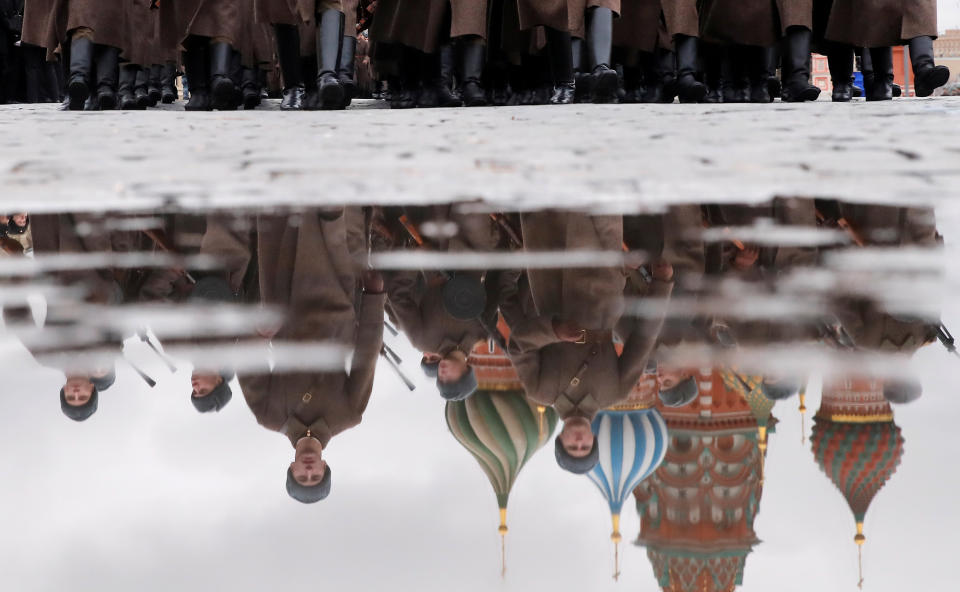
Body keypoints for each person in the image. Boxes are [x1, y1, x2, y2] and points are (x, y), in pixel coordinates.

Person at [501, 211, 673, 474]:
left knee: (549, 208)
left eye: (572, 446)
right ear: (593, 440)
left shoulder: (540, 391)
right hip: (602, 287)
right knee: (601, 211)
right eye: (584, 447)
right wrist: (662, 287)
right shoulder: (614, 393)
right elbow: (643, 340)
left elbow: (518, 345)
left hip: (551, 279)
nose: (579, 442)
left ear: (560, 440)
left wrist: (553, 331)